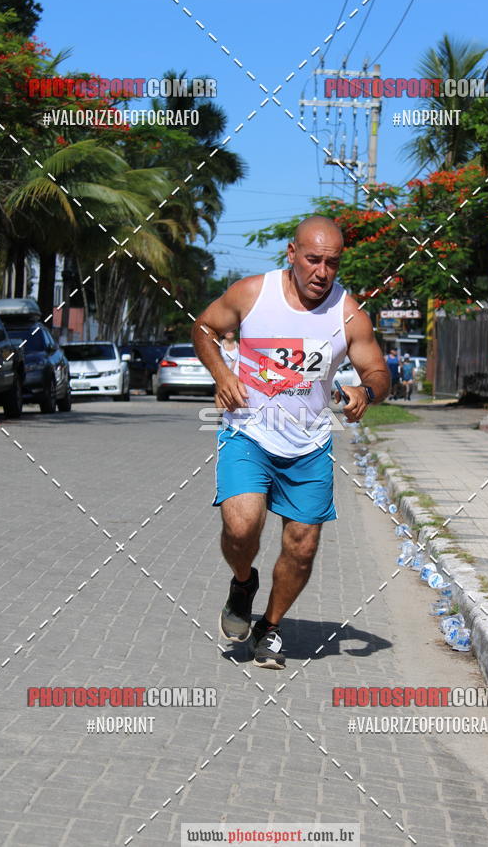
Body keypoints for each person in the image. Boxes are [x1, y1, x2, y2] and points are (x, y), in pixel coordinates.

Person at [192, 216, 390, 670]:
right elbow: (203, 329)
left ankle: (270, 626)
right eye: (313, 259)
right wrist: (222, 375)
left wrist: (367, 391)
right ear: (292, 254)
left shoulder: (348, 314)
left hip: (310, 443)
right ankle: (243, 584)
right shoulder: (251, 293)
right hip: (249, 432)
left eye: (333, 263)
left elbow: (377, 370)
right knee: (242, 527)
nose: (322, 272)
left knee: (301, 546)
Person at [214, 330, 239, 410]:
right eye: (227, 331)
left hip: (234, 375)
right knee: (220, 392)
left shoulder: (238, 346)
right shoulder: (219, 345)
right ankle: (220, 412)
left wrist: (235, 363)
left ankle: (229, 411)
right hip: (221, 373)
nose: (229, 333)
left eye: (232, 331)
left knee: (232, 393)